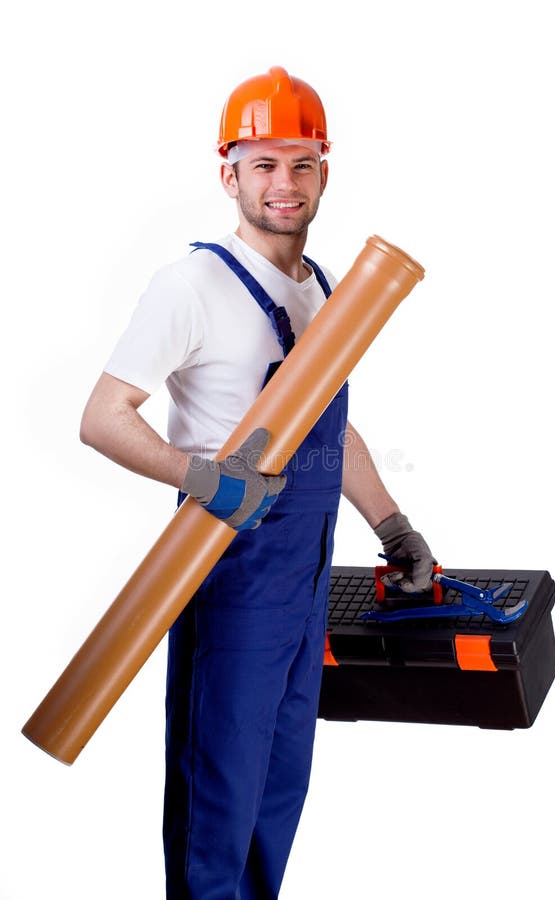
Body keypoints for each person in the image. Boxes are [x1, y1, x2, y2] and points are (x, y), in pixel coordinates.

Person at [80, 65, 435, 900]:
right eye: (265, 163)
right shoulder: (193, 286)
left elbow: (327, 429)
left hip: (306, 571)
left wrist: (393, 528)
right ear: (228, 173)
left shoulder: (328, 291)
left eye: (301, 164)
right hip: (227, 568)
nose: (285, 184)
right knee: (220, 791)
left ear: (323, 174)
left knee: (279, 790)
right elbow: (102, 416)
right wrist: (201, 477)